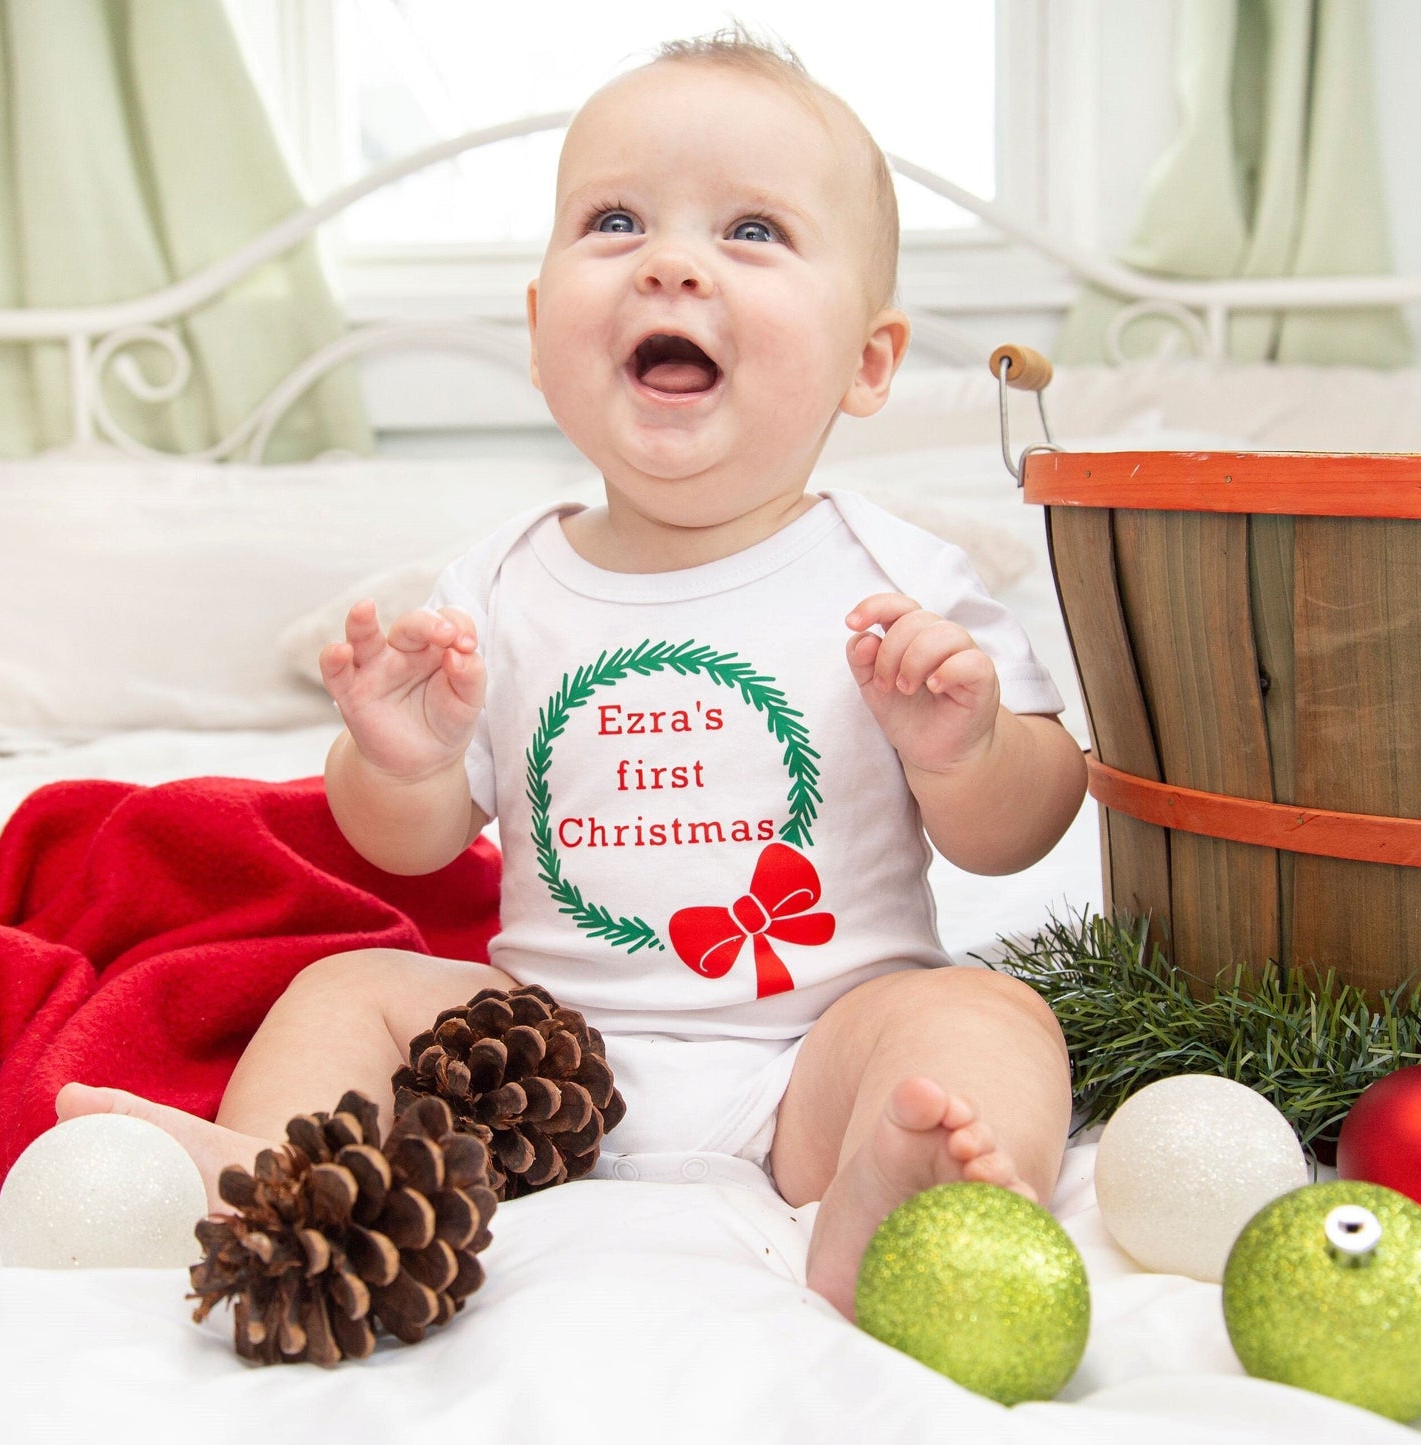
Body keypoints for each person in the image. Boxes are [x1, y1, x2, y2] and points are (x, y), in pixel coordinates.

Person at [58, 30, 1086, 1322]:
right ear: (544, 333)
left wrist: (969, 750)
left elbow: (1024, 827)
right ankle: (294, 1177)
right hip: (537, 1070)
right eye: (615, 219)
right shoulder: (495, 581)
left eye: (753, 231)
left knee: (988, 1016)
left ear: (867, 360)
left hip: (813, 1051)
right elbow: (414, 850)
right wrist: (401, 760)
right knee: (345, 990)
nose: (671, 259)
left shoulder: (900, 573)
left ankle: (902, 1202)